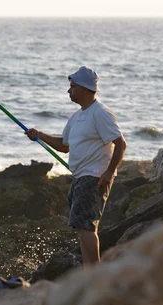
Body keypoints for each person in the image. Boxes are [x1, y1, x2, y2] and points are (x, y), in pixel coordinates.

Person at [26, 66, 127, 267]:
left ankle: (93, 274)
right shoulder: (76, 117)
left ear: (85, 89)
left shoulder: (100, 113)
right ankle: (90, 272)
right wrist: (40, 135)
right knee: (83, 227)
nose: (68, 90)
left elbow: (121, 144)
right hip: (80, 177)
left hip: (94, 176)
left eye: (72, 87)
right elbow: (64, 146)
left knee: (87, 227)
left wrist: (108, 173)